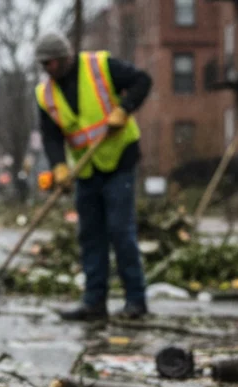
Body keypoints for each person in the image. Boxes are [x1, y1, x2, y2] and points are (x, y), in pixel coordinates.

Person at [34, 33, 151, 322]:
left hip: (119, 159)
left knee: (120, 231)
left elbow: (142, 81)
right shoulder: (45, 95)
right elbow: (51, 137)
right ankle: (94, 303)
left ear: (65, 57)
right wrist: (59, 166)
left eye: (53, 62)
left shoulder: (100, 66)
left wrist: (124, 109)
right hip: (86, 170)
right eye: (44, 64)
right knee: (90, 236)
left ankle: (135, 301)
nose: (49, 68)